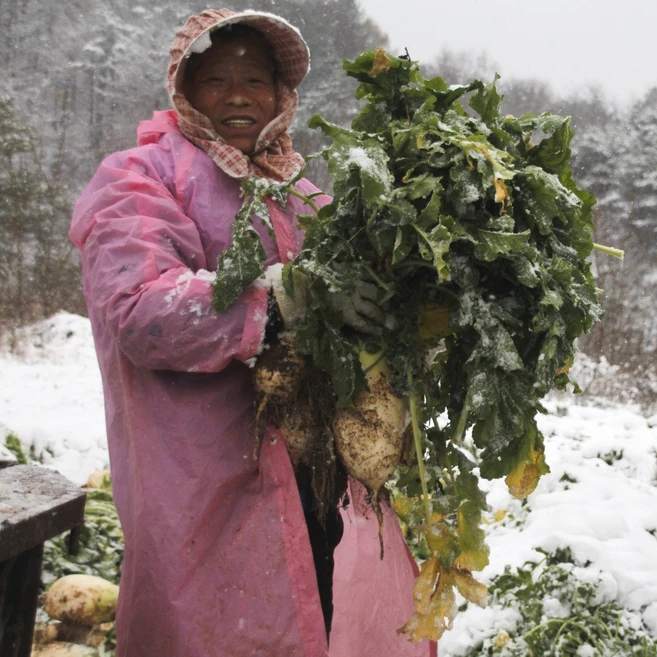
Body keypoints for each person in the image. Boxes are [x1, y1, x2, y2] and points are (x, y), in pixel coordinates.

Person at [70, 8, 435, 657]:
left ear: (282, 94)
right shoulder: (138, 177)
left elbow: (365, 297)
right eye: (215, 78)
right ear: (183, 91)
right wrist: (281, 300)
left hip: (312, 466)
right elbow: (140, 309)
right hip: (202, 478)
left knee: (315, 610)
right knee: (213, 625)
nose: (238, 94)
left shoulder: (301, 191)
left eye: (255, 79)